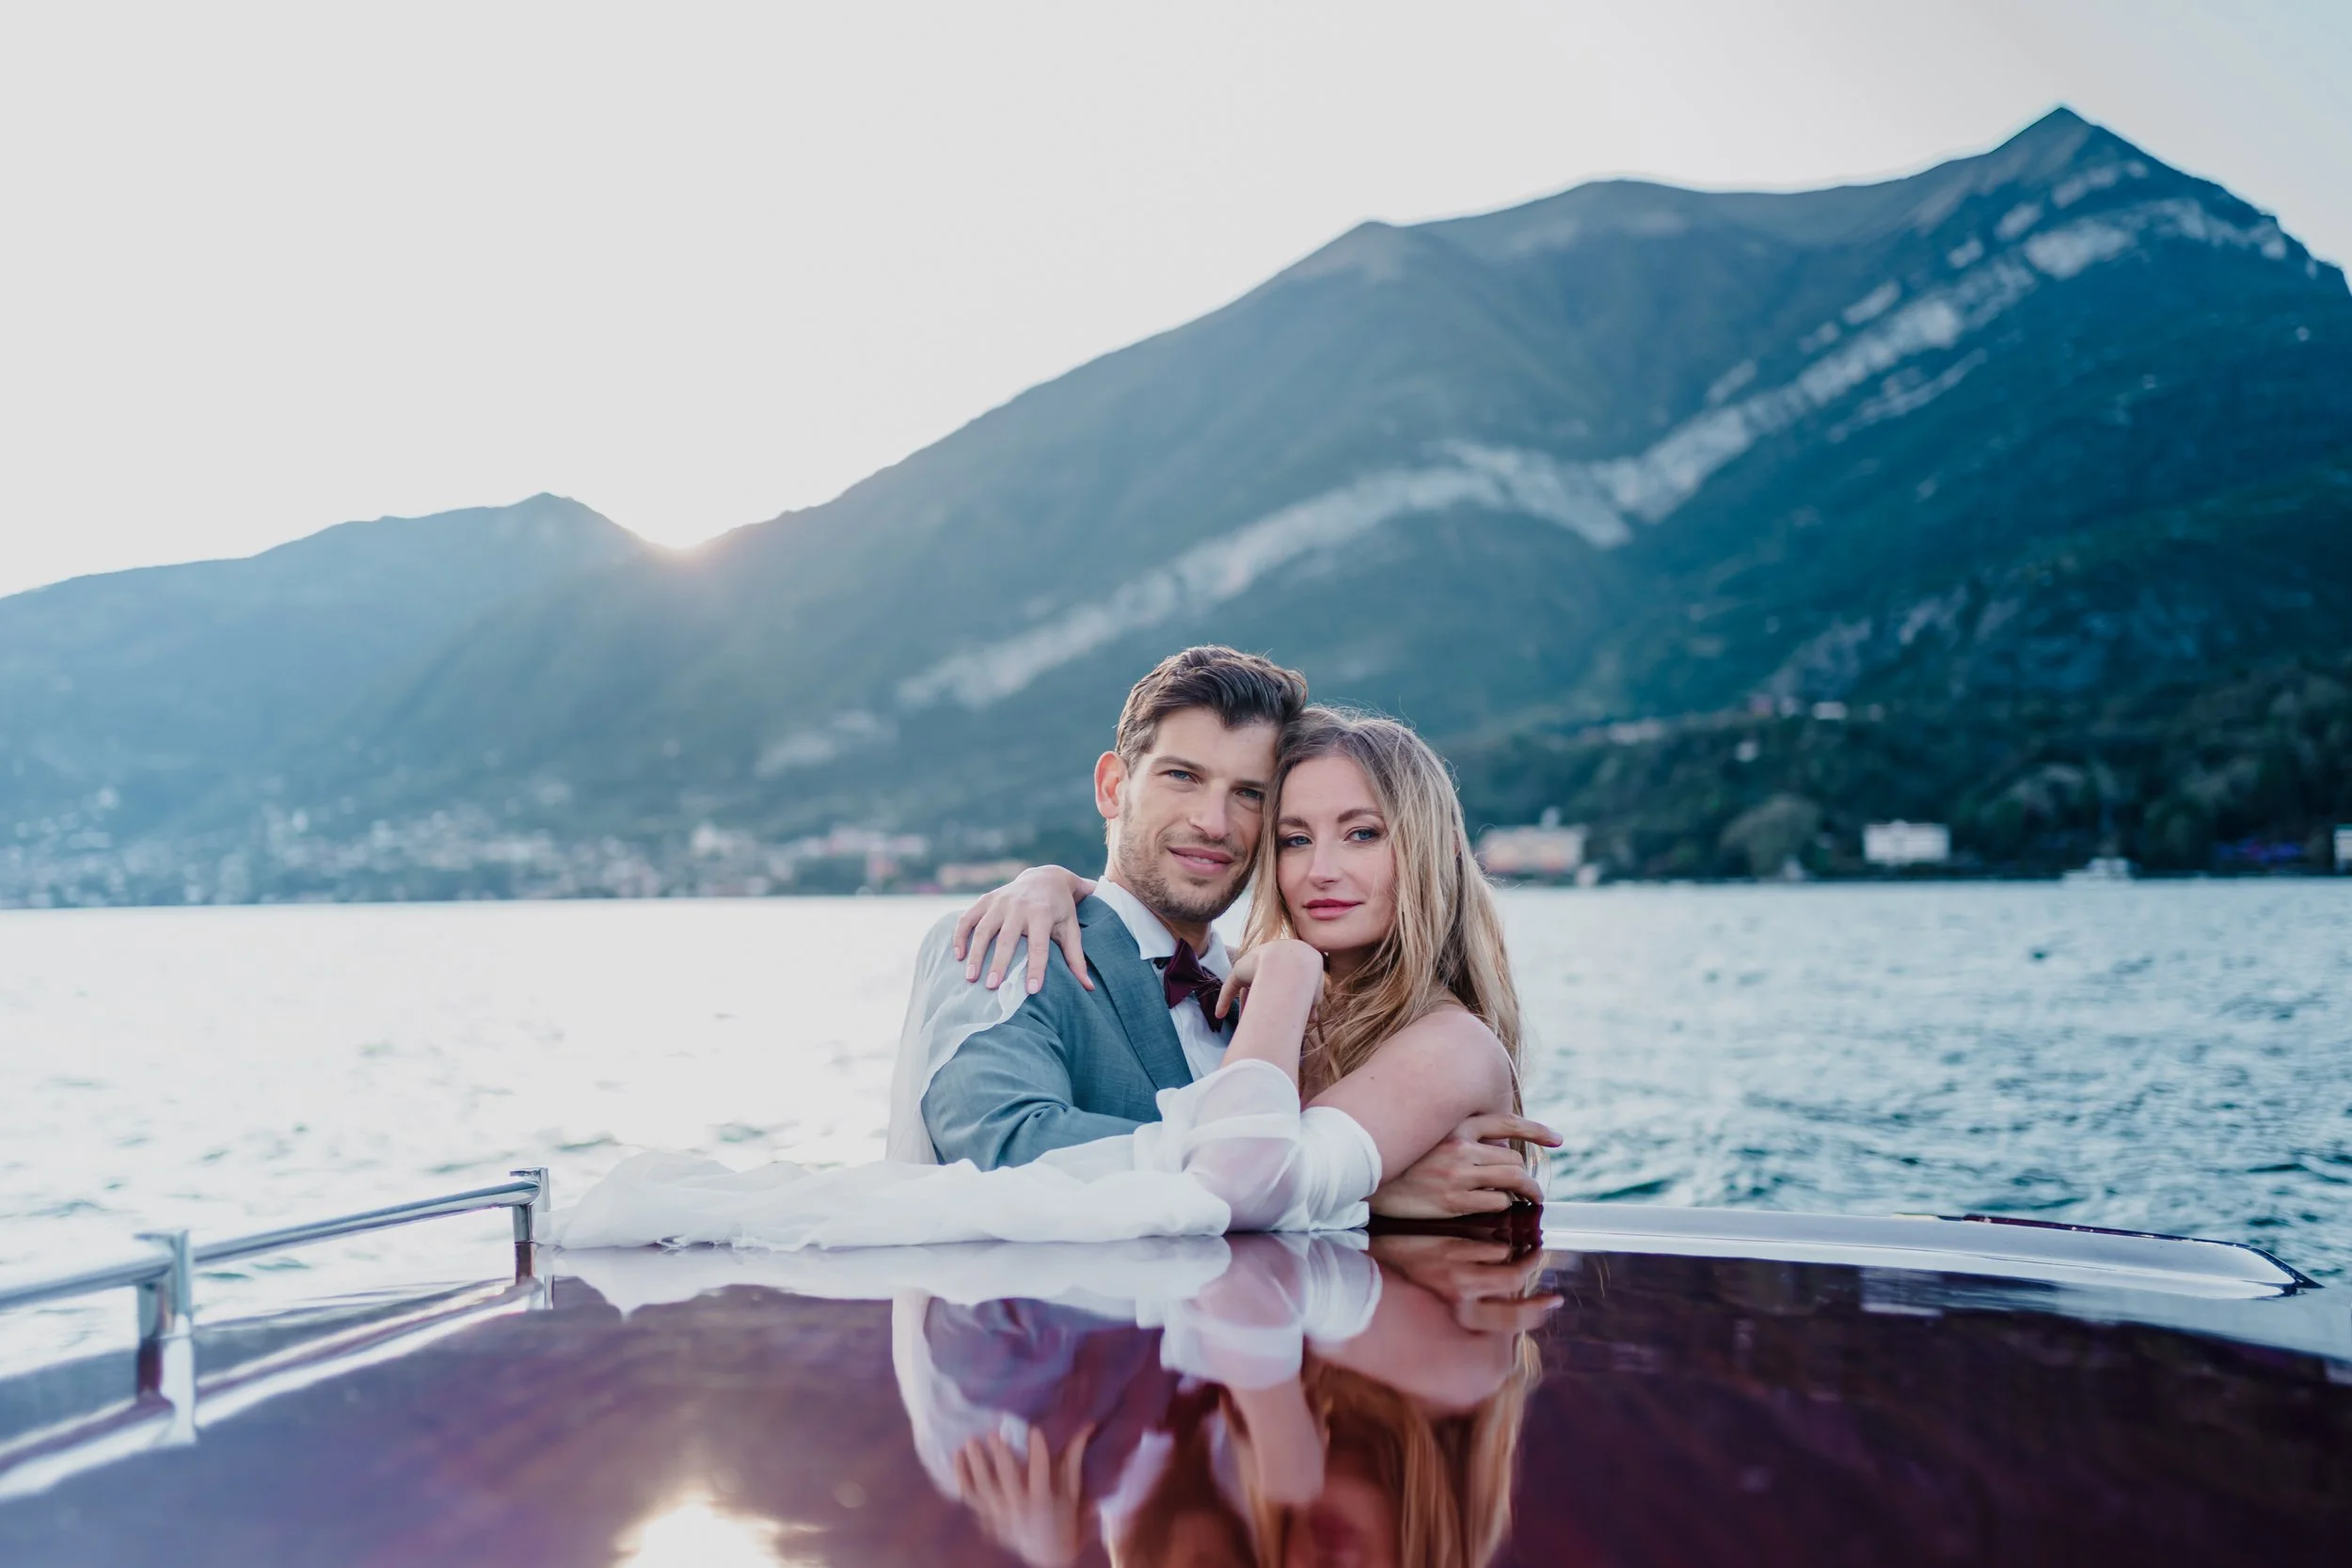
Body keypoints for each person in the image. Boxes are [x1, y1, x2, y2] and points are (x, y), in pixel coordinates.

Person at [547, 693, 1550, 1250]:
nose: (1219, 822)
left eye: (1250, 797)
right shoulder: (1014, 937)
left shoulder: (1289, 997)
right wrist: (1368, 1195)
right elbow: (1003, 1150)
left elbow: (1260, 1175)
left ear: (1416, 849)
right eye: (1183, 778)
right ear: (1114, 785)